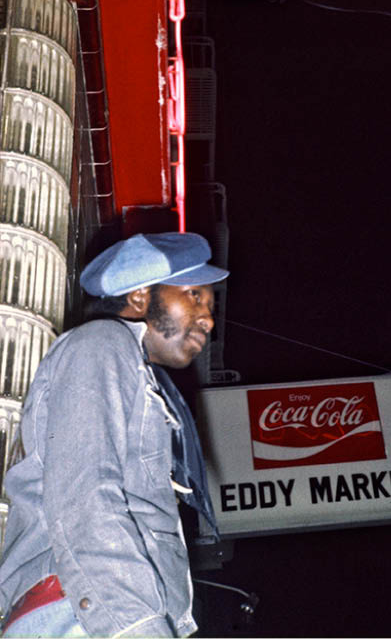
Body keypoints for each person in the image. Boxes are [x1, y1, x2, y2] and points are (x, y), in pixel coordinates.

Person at [0, 232, 228, 638]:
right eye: (194, 294)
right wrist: (139, 627)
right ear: (140, 297)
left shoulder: (137, 373)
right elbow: (86, 495)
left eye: (209, 303)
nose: (208, 319)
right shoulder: (100, 345)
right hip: (87, 611)